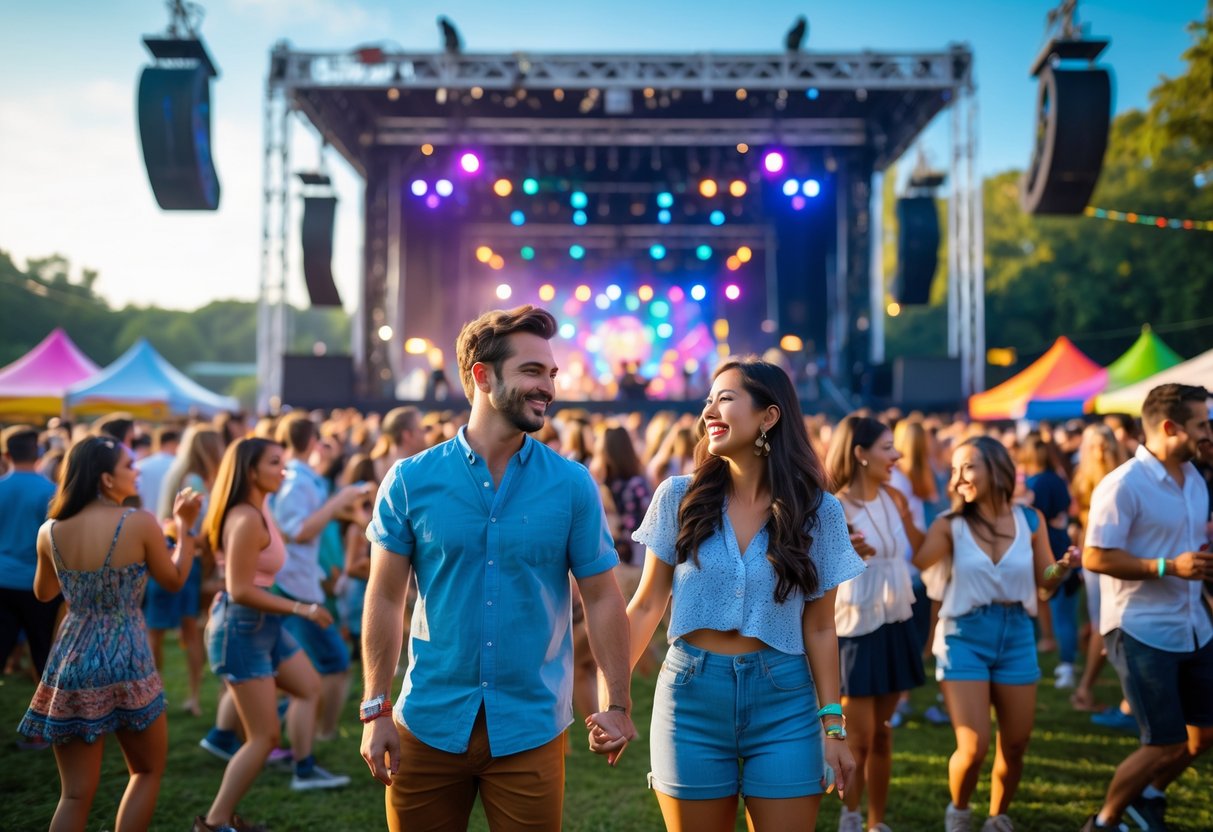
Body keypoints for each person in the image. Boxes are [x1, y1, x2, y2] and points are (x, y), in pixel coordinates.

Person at [359, 305, 636, 831]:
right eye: (532, 371)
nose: (548, 388)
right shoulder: (410, 480)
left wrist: (618, 703)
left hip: (531, 727)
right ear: (483, 376)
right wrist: (375, 708)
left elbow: (601, 597)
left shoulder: (572, 484)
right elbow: (386, 596)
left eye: (551, 374)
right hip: (427, 723)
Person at [609, 356, 863, 831]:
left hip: (785, 699)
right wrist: (615, 701)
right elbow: (645, 605)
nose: (709, 410)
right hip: (691, 698)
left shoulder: (819, 510)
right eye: (708, 400)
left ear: (770, 416)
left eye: (725, 398)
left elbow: (822, 625)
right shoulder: (678, 496)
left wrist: (834, 725)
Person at [18, 436, 201, 832]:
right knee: (146, 772)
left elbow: (44, 593)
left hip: (72, 658)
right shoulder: (137, 523)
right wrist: (185, 528)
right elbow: (173, 580)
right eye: (128, 466)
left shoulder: (49, 531)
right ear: (106, 478)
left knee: (74, 794)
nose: (136, 471)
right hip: (128, 656)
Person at [913, 436, 1080, 832]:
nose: (958, 478)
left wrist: (1062, 568)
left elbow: (1044, 583)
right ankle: (960, 809)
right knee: (973, 747)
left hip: (1018, 634)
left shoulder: (1030, 519)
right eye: (953, 470)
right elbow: (917, 562)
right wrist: (901, 519)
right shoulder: (950, 525)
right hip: (964, 635)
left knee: (1017, 743)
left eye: (967, 467)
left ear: (995, 468)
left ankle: (997, 815)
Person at [196, 437, 349, 832]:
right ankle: (214, 823)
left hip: (262, 625)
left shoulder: (260, 507)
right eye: (275, 463)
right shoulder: (245, 517)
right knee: (263, 738)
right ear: (250, 471)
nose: (284, 471)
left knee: (309, 687)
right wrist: (303, 609)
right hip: (242, 627)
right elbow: (240, 588)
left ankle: (305, 768)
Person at [1080, 384, 1213, 832]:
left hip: (1194, 624)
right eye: (1201, 424)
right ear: (1171, 427)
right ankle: (1105, 820)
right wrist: (1168, 566)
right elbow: (1095, 556)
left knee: (1204, 735)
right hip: (1141, 629)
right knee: (1164, 744)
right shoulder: (1122, 485)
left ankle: (1149, 796)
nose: (1208, 432)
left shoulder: (1193, 477)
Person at [825, 415, 925, 832]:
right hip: (854, 628)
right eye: (887, 448)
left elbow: (920, 552)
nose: (898, 455)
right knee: (859, 740)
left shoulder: (895, 498)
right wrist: (845, 548)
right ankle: (850, 816)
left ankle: (876, 823)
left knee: (883, 735)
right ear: (860, 454)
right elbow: (815, 572)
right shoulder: (833, 507)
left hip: (895, 620)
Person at [270, 413, 369, 743]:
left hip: (303, 582)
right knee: (334, 664)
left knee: (312, 667)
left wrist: (351, 509)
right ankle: (314, 738)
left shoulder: (304, 477)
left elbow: (315, 518)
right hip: (294, 584)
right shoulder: (295, 480)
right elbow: (298, 530)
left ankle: (309, 734)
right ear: (312, 441)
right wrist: (339, 501)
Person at [145, 426, 224, 717]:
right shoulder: (196, 480)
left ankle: (156, 694)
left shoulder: (178, 474)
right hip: (186, 555)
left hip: (164, 552)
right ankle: (191, 696)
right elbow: (200, 526)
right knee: (189, 630)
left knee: (157, 630)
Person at [1019, 433, 1081, 690]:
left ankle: (1066, 665)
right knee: (1066, 609)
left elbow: (1034, 518)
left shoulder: (1035, 484)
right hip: (1062, 542)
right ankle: (1067, 660)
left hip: (1049, 550)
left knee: (1059, 610)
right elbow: (1066, 509)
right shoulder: (1056, 478)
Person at [0, 427, 62, 684]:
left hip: (3, 580)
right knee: (44, 654)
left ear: (5, 454)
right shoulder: (52, 492)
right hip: (39, 584)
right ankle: (49, 712)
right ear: (37, 451)